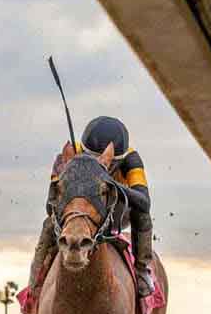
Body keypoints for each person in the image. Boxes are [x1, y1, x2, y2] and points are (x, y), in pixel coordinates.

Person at [27, 116, 154, 298]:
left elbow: (144, 202)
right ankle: (36, 279)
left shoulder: (131, 159)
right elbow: (50, 204)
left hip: (116, 208)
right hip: (76, 209)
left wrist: (110, 184)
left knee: (142, 216)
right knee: (49, 223)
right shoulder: (69, 155)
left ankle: (142, 269)